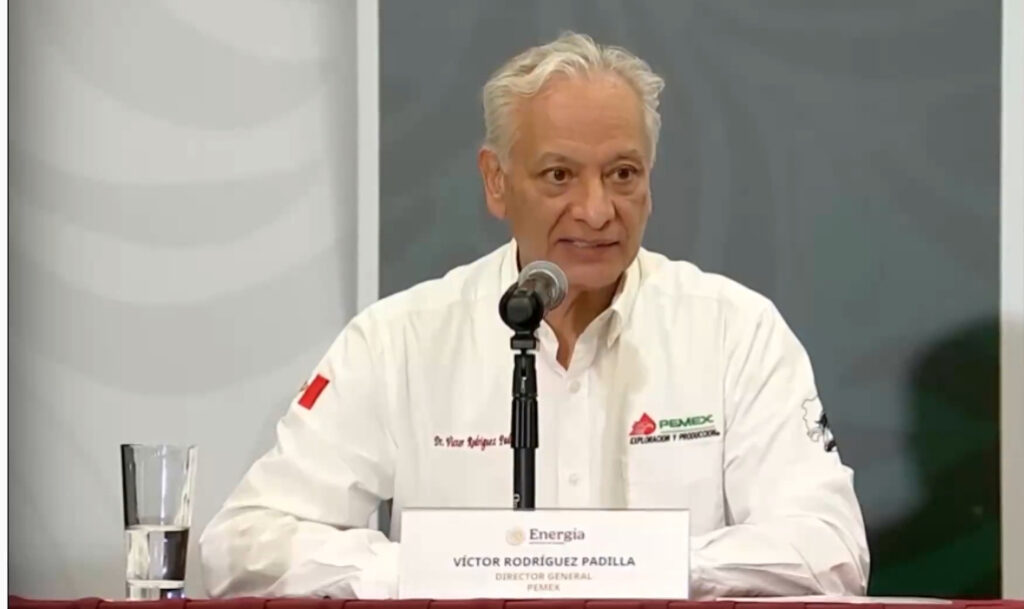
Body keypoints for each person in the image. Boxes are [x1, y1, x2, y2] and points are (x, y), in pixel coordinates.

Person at [200, 32, 869, 599]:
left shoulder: (735, 332)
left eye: (623, 174)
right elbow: (244, 542)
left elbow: (830, 549)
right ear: (497, 181)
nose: (597, 210)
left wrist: (636, 567)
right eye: (558, 175)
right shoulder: (399, 340)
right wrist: (434, 572)